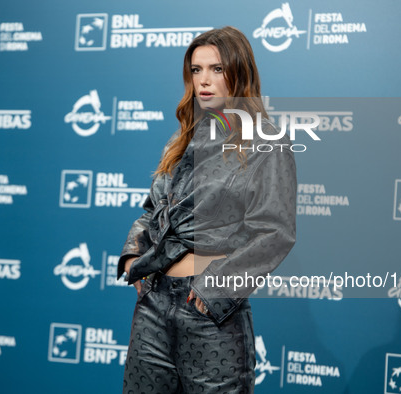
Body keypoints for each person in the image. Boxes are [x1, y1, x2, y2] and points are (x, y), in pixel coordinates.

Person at [117, 26, 297, 394]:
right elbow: (153, 210)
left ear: (239, 72)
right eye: (196, 70)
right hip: (153, 303)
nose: (204, 80)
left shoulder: (266, 142)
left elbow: (275, 232)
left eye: (216, 69)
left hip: (208, 310)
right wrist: (132, 257)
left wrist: (215, 289)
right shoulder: (182, 138)